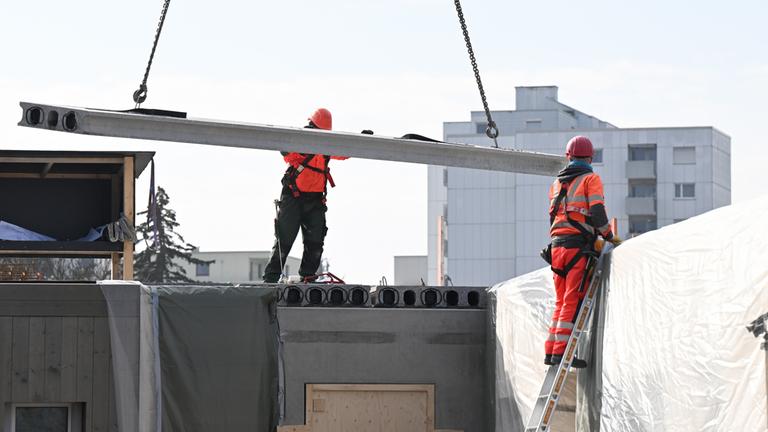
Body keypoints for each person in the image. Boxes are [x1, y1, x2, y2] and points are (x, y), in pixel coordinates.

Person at [544, 135, 620, 368]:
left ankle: (551, 351)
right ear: (591, 157)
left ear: (568, 156)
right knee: (571, 300)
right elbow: (596, 211)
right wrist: (609, 236)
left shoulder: (557, 184)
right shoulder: (590, 179)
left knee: (560, 301)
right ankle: (563, 354)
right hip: (577, 246)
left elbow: (553, 216)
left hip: (557, 247)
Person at [262, 108, 348, 283]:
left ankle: (307, 280)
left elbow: (344, 153)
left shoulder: (327, 146)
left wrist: (360, 141)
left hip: (315, 200)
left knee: (315, 243)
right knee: (283, 242)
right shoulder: (300, 141)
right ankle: (270, 281)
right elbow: (285, 151)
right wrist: (295, 142)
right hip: (294, 198)